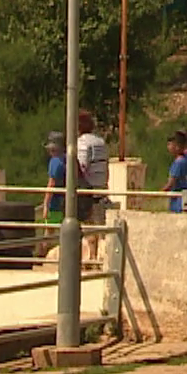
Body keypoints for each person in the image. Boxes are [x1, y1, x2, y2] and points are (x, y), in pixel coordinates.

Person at [76, 111, 110, 262]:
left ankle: (91, 258)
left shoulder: (82, 143)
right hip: (101, 188)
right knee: (100, 229)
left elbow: (82, 166)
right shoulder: (101, 142)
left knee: (88, 227)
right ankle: (97, 258)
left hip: (88, 191)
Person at [39, 132, 69, 228]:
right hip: (66, 201)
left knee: (49, 230)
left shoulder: (55, 162)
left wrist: (46, 205)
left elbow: (51, 183)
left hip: (55, 203)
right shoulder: (67, 159)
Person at [162, 132, 187, 213]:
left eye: (169, 144)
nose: (168, 147)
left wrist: (160, 192)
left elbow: (171, 183)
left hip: (178, 202)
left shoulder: (178, 163)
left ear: (177, 146)